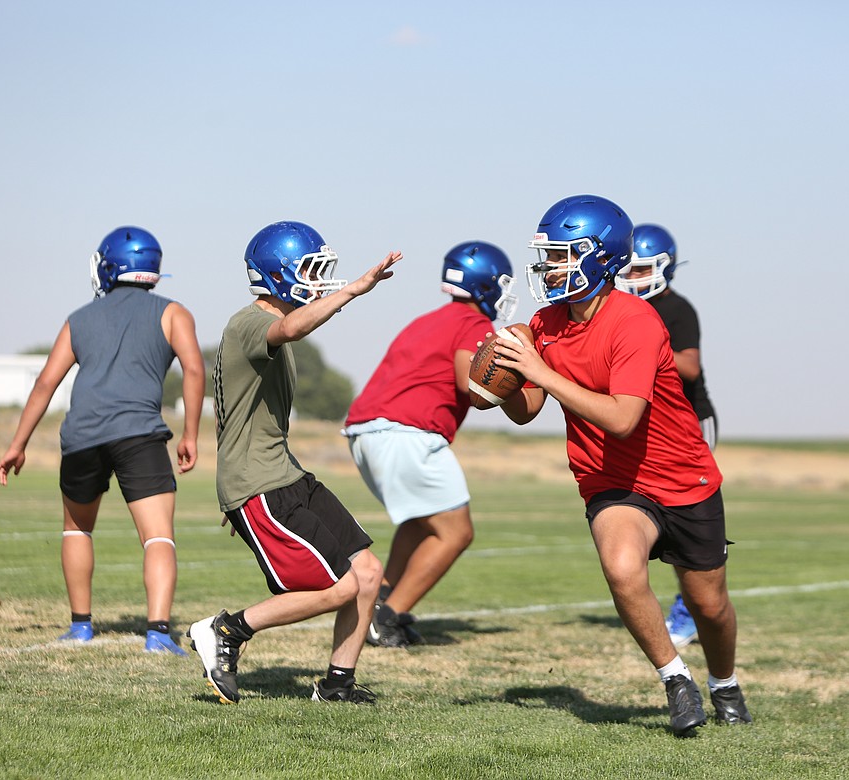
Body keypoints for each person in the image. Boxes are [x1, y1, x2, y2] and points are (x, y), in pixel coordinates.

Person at [487, 194, 751, 735]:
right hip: (611, 479)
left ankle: (723, 682)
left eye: (561, 255)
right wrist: (502, 377)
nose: (548, 267)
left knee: (710, 606)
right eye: (547, 255)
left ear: (599, 256)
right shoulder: (547, 323)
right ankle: (676, 680)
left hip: (682, 477)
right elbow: (527, 411)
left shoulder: (637, 320)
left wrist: (540, 366)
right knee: (622, 568)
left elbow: (623, 418)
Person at [188, 221, 401, 705]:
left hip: (284, 475)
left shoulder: (266, 333)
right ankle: (226, 630)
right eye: (309, 270)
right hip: (260, 484)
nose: (318, 280)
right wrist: (354, 290)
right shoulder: (250, 323)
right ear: (277, 274)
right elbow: (291, 326)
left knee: (367, 572)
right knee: (341, 586)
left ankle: (337, 685)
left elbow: (233, 412)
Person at [0, 226, 204, 655]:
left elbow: (45, 384)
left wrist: (18, 443)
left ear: (109, 267)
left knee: (77, 529)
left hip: (83, 435)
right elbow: (195, 370)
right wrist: (191, 435)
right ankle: (159, 633)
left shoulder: (79, 318)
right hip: (139, 434)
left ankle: (80, 627)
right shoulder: (174, 313)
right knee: (158, 536)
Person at [342, 241, 518, 648]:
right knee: (456, 532)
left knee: (420, 522)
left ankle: (380, 600)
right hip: (406, 433)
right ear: (488, 284)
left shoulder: (429, 319)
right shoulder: (473, 324)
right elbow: (470, 382)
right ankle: (387, 617)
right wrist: (523, 374)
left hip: (369, 431)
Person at [617, 223, 718, 650]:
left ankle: (687, 608)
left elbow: (691, 367)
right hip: (649, 426)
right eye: (630, 269)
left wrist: (647, 342)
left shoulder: (676, 310)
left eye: (641, 270)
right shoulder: (621, 308)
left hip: (690, 423)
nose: (633, 278)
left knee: (688, 521)